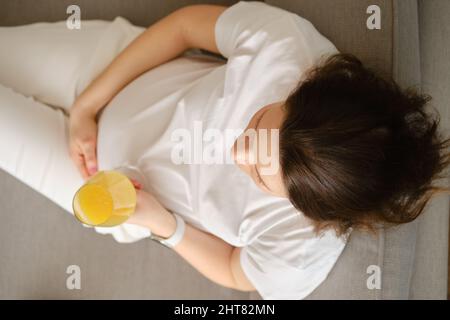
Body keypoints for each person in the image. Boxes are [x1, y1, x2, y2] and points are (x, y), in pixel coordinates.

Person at [0, 1, 448, 300]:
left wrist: (163, 224)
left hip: (106, 186)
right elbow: (183, 27)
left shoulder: (301, 252)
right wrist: (87, 106)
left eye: (258, 175)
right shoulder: (286, 49)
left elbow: (236, 271)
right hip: (107, 71)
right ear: (301, 90)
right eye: (257, 125)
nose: (238, 152)